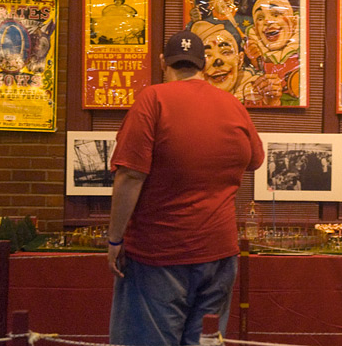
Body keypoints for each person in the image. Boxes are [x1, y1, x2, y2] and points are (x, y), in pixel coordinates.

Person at [107, 30, 264, 346]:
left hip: (159, 253)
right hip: (219, 254)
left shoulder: (153, 99)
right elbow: (255, 160)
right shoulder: (232, 105)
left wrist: (114, 240)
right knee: (205, 341)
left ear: (164, 62)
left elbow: (130, 177)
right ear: (203, 63)